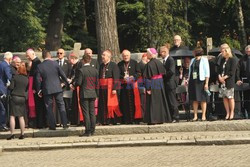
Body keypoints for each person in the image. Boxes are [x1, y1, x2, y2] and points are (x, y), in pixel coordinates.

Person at [35, 50, 69, 130]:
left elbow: (37, 79)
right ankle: (65, 123)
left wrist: (39, 90)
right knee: (61, 105)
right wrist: (67, 83)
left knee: (49, 107)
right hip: (57, 87)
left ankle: (52, 125)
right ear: (50, 56)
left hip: (47, 88)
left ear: (43, 57)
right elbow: (62, 74)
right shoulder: (55, 63)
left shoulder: (40, 66)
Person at [143, 48, 171, 124]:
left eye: (147, 53)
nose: (147, 54)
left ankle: (153, 119)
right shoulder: (159, 62)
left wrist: (148, 88)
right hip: (160, 83)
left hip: (153, 84)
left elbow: (147, 78)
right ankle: (161, 119)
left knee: (153, 102)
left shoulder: (149, 64)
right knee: (160, 101)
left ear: (150, 54)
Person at [74, 55, 99, 136]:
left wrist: (74, 84)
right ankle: (93, 130)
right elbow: (97, 84)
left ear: (83, 61)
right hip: (92, 93)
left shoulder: (81, 71)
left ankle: (87, 131)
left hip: (84, 93)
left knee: (86, 113)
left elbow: (79, 83)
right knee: (92, 112)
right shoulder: (95, 71)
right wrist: (97, 93)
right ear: (90, 61)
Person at [98, 50, 122, 125]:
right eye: (102, 55)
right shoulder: (101, 65)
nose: (102, 56)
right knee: (103, 103)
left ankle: (112, 120)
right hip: (103, 87)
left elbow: (116, 77)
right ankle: (104, 120)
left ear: (108, 57)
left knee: (111, 104)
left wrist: (115, 88)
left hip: (110, 87)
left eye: (104, 55)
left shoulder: (113, 65)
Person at [118, 50, 142, 124]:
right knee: (124, 103)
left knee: (134, 102)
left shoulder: (135, 63)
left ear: (130, 55)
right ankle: (126, 120)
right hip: (124, 87)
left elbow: (139, 73)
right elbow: (117, 74)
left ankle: (135, 119)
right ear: (122, 56)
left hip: (133, 86)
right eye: (124, 56)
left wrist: (133, 77)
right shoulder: (120, 64)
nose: (126, 57)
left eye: (127, 55)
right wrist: (123, 78)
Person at [7, 62, 28, 140]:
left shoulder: (15, 77)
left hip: (15, 96)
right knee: (21, 116)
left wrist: (8, 85)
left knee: (12, 116)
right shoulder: (26, 79)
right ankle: (22, 134)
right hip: (22, 97)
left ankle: (12, 134)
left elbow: (11, 87)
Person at [26, 49, 46, 128]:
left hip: (36, 89)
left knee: (39, 107)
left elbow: (37, 77)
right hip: (35, 88)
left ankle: (40, 124)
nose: (27, 57)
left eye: (28, 55)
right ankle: (39, 123)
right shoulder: (35, 62)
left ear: (33, 54)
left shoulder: (37, 62)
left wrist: (36, 88)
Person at [188, 47, 210, 121]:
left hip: (201, 81)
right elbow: (190, 71)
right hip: (193, 81)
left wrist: (206, 83)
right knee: (194, 99)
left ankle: (203, 115)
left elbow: (207, 72)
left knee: (203, 99)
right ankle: (195, 115)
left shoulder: (204, 60)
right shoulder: (192, 60)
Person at [218, 44, 238, 120]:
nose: (221, 52)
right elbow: (219, 70)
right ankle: (227, 112)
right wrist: (220, 77)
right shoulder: (222, 60)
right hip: (222, 82)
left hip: (229, 81)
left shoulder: (233, 59)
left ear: (226, 50)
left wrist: (224, 77)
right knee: (224, 98)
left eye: (222, 50)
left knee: (230, 97)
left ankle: (232, 112)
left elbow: (232, 71)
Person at [160, 46, 179, 123]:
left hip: (170, 83)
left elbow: (171, 71)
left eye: (161, 52)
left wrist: (163, 76)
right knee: (168, 100)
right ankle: (170, 116)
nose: (160, 54)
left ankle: (176, 116)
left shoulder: (170, 60)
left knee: (172, 101)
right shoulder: (165, 60)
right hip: (166, 84)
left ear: (165, 52)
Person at [56, 48, 72, 124]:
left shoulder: (68, 63)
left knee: (66, 104)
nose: (59, 54)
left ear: (64, 54)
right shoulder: (55, 63)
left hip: (66, 87)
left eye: (61, 53)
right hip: (57, 86)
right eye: (58, 53)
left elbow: (70, 75)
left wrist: (64, 83)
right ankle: (59, 121)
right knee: (58, 104)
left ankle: (67, 120)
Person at [68, 53, 83, 125]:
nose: (69, 61)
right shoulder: (74, 66)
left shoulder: (80, 65)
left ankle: (79, 120)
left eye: (70, 59)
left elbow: (78, 76)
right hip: (75, 87)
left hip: (78, 87)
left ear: (73, 59)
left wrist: (73, 83)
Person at [0, 52, 13, 131]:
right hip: (3, 90)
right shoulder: (6, 66)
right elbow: (9, 77)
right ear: (10, 59)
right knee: (3, 108)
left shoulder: (1, 64)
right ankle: (3, 124)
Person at [236, 45, 250, 118]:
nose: (248, 51)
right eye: (247, 50)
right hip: (245, 81)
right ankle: (247, 113)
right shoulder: (242, 59)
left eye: (249, 50)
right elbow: (238, 70)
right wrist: (238, 79)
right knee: (246, 98)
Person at [138, 53, 148, 119]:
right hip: (143, 85)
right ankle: (144, 116)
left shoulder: (140, 64)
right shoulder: (143, 65)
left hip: (142, 84)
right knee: (143, 102)